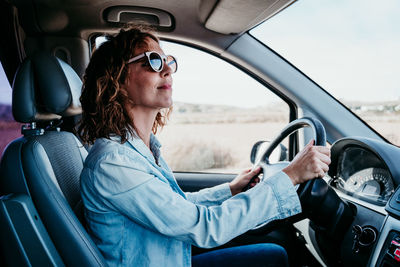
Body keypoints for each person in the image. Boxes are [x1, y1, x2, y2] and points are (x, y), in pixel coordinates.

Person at [78, 26, 331, 267]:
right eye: (153, 61)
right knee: (273, 257)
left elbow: (177, 205)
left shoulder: (140, 149)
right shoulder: (114, 162)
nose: (167, 69)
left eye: (168, 61)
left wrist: (230, 190)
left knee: (274, 253)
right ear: (117, 80)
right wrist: (291, 176)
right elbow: (204, 228)